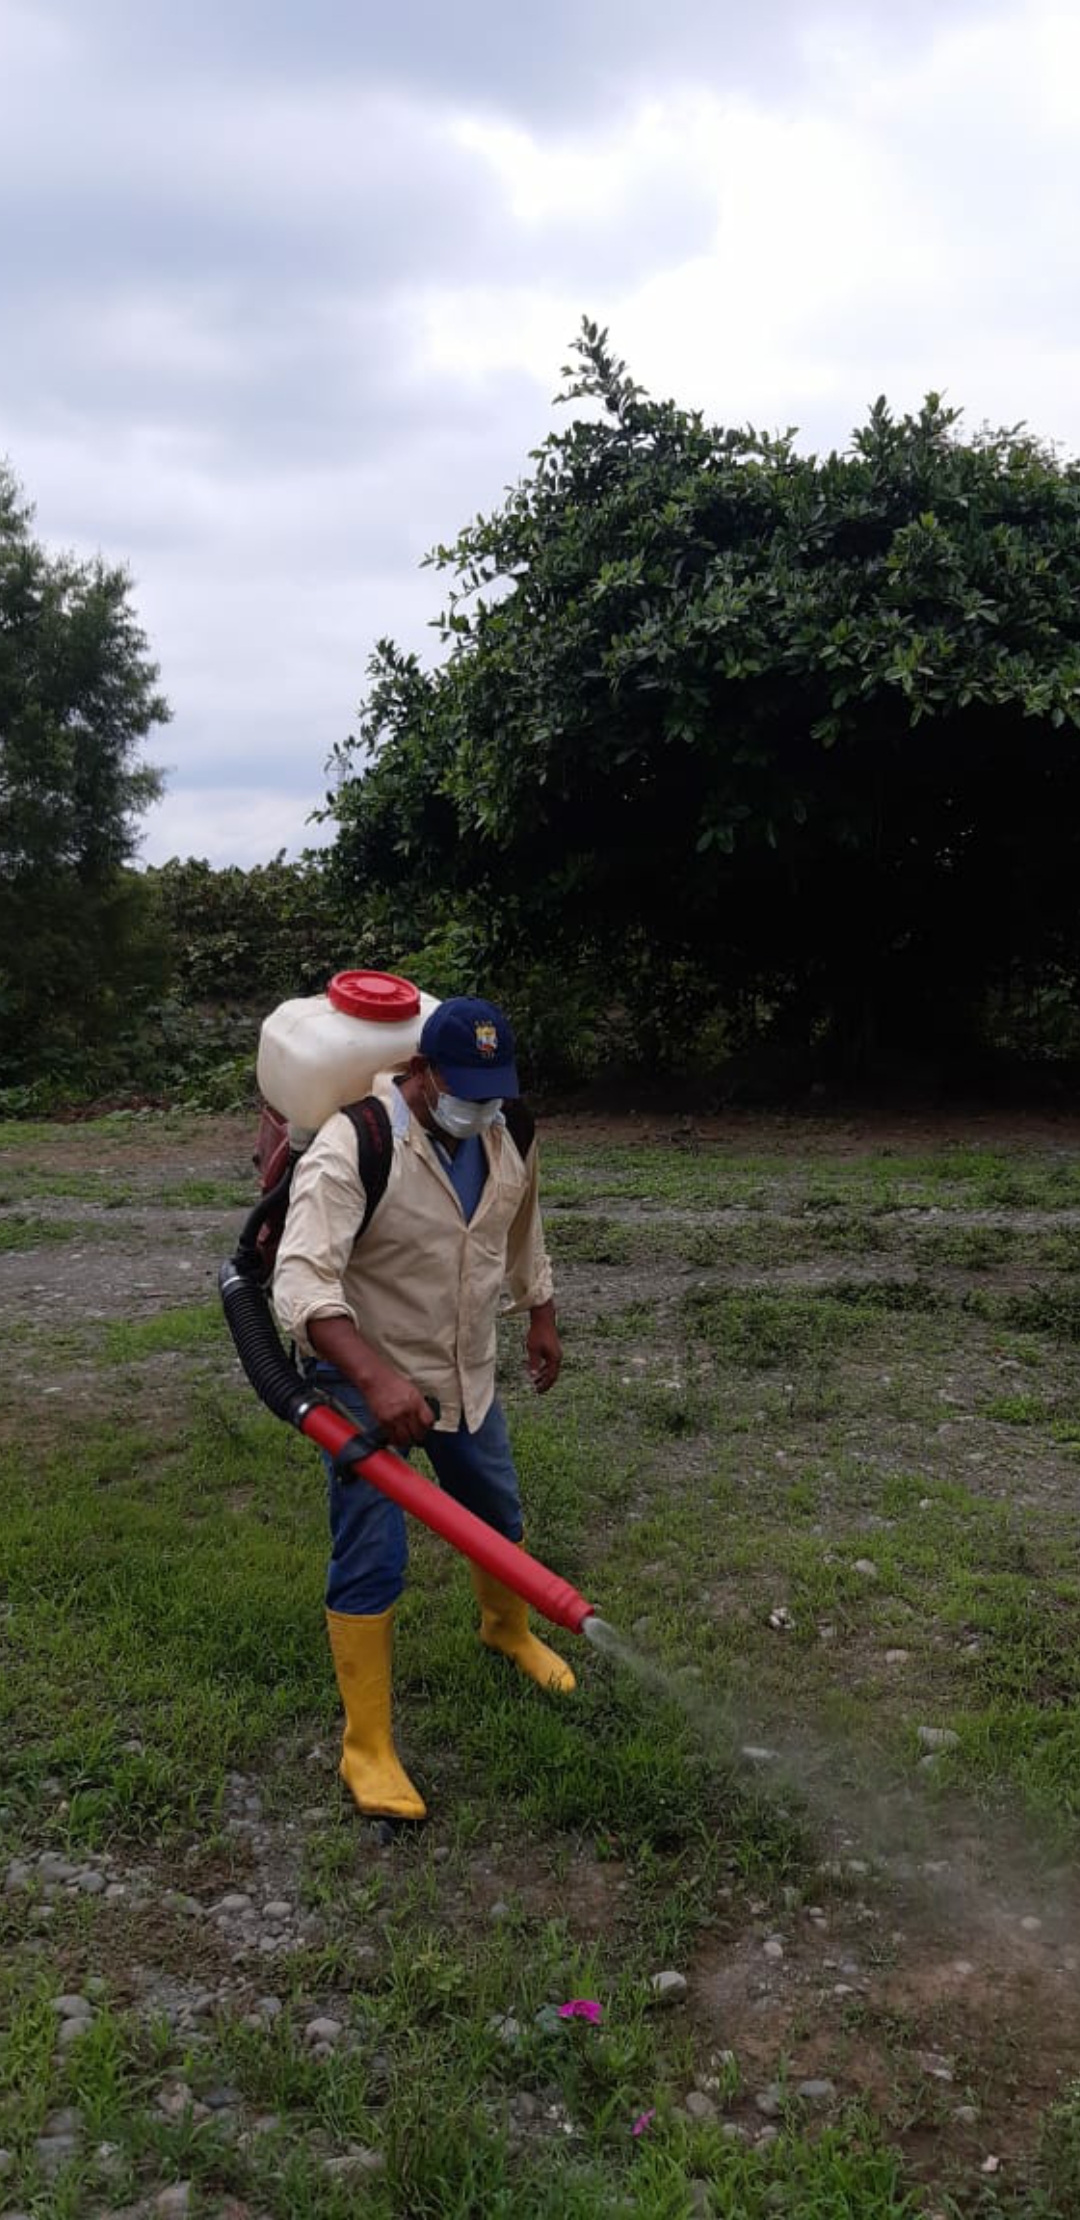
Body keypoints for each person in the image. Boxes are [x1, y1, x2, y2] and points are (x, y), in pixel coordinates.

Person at [272, 994, 573, 1823]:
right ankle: (367, 1746)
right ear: (421, 1071)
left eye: (494, 1092)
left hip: (463, 1366)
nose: (481, 1108)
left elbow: (521, 1223)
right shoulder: (356, 1144)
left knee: (495, 1508)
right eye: (465, 1090)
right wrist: (375, 1381)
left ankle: (506, 1630)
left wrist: (540, 1312)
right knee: (373, 1550)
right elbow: (300, 1282)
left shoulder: (508, 1128)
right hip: (362, 1375)